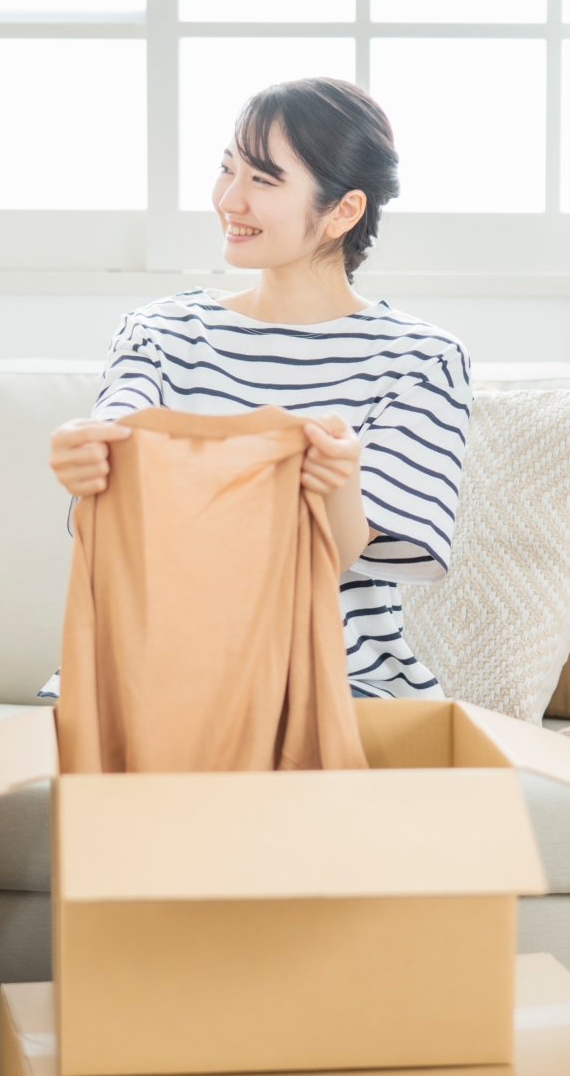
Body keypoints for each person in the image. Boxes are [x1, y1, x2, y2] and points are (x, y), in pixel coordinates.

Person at [46, 77, 471, 702]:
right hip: (155, 675)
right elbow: (103, 530)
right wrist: (83, 468)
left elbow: (338, 552)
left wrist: (336, 479)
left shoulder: (420, 360)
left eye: (263, 181)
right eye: (227, 169)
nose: (229, 200)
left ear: (343, 211)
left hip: (334, 685)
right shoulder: (161, 333)